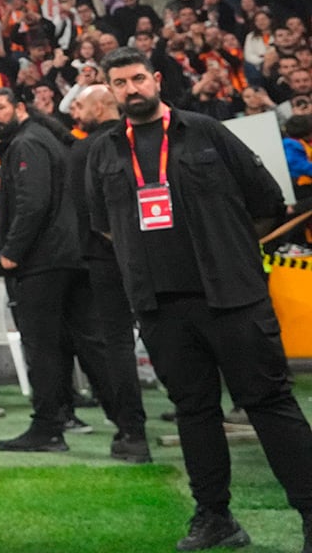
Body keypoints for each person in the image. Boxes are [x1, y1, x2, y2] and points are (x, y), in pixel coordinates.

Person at [87, 49, 312, 553]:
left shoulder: (205, 131)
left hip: (232, 298)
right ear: (111, 91)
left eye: (139, 78)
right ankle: (215, 518)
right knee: (194, 411)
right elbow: (104, 225)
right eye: (120, 83)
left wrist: (225, 250)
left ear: (157, 79)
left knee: (270, 405)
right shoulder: (105, 151)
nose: (131, 89)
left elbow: (267, 203)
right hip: (162, 307)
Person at [0, 87, 88, 453]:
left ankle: (48, 426)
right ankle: (78, 416)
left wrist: (12, 251)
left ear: (19, 107)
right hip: (66, 255)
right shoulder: (45, 138)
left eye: (0, 107)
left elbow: (33, 202)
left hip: (42, 260)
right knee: (69, 343)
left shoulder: (27, 143)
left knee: (41, 346)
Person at [61, 84, 151, 464]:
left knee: (116, 344)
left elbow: (85, 210)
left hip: (103, 257)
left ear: (101, 106)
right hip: (154, 252)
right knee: (170, 332)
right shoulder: (142, 140)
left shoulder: (83, 151)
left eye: (81, 104)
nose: (75, 111)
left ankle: (132, 431)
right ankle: (195, 413)